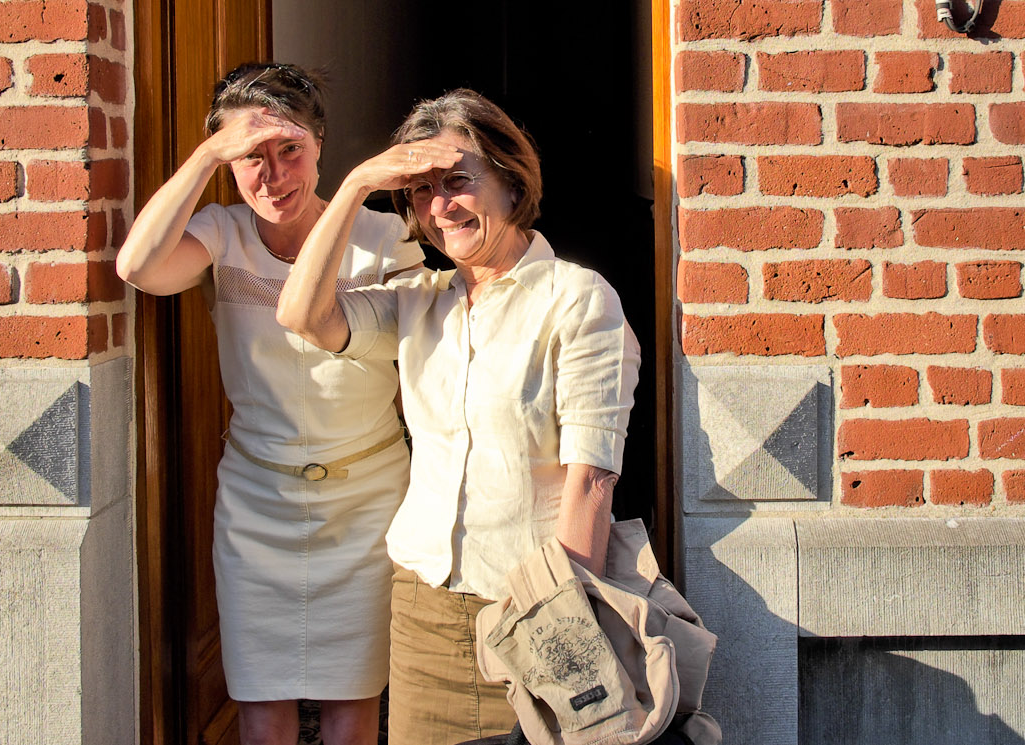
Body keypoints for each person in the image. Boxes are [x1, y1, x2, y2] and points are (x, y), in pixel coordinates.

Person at [277, 89, 641, 745]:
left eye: (458, 182)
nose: (440, 206)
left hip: (534, 609)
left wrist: (560, 642)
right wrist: (359, 181)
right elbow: (301, 314)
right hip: (425, 613)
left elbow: (590, 482)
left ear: (508, 179)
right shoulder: (419, 303)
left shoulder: (578, 299)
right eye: (421, 190)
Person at [115, 63, 422, 745]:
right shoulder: (222, 233)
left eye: (290, 151)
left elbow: (405, 343)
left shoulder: (381, 240)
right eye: (250, 158)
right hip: (257, 500)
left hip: (367, 497)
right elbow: (139, 268)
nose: (273, 175)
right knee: (261, 707)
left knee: (352, 705)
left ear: (319, 147)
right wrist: (205, 155)